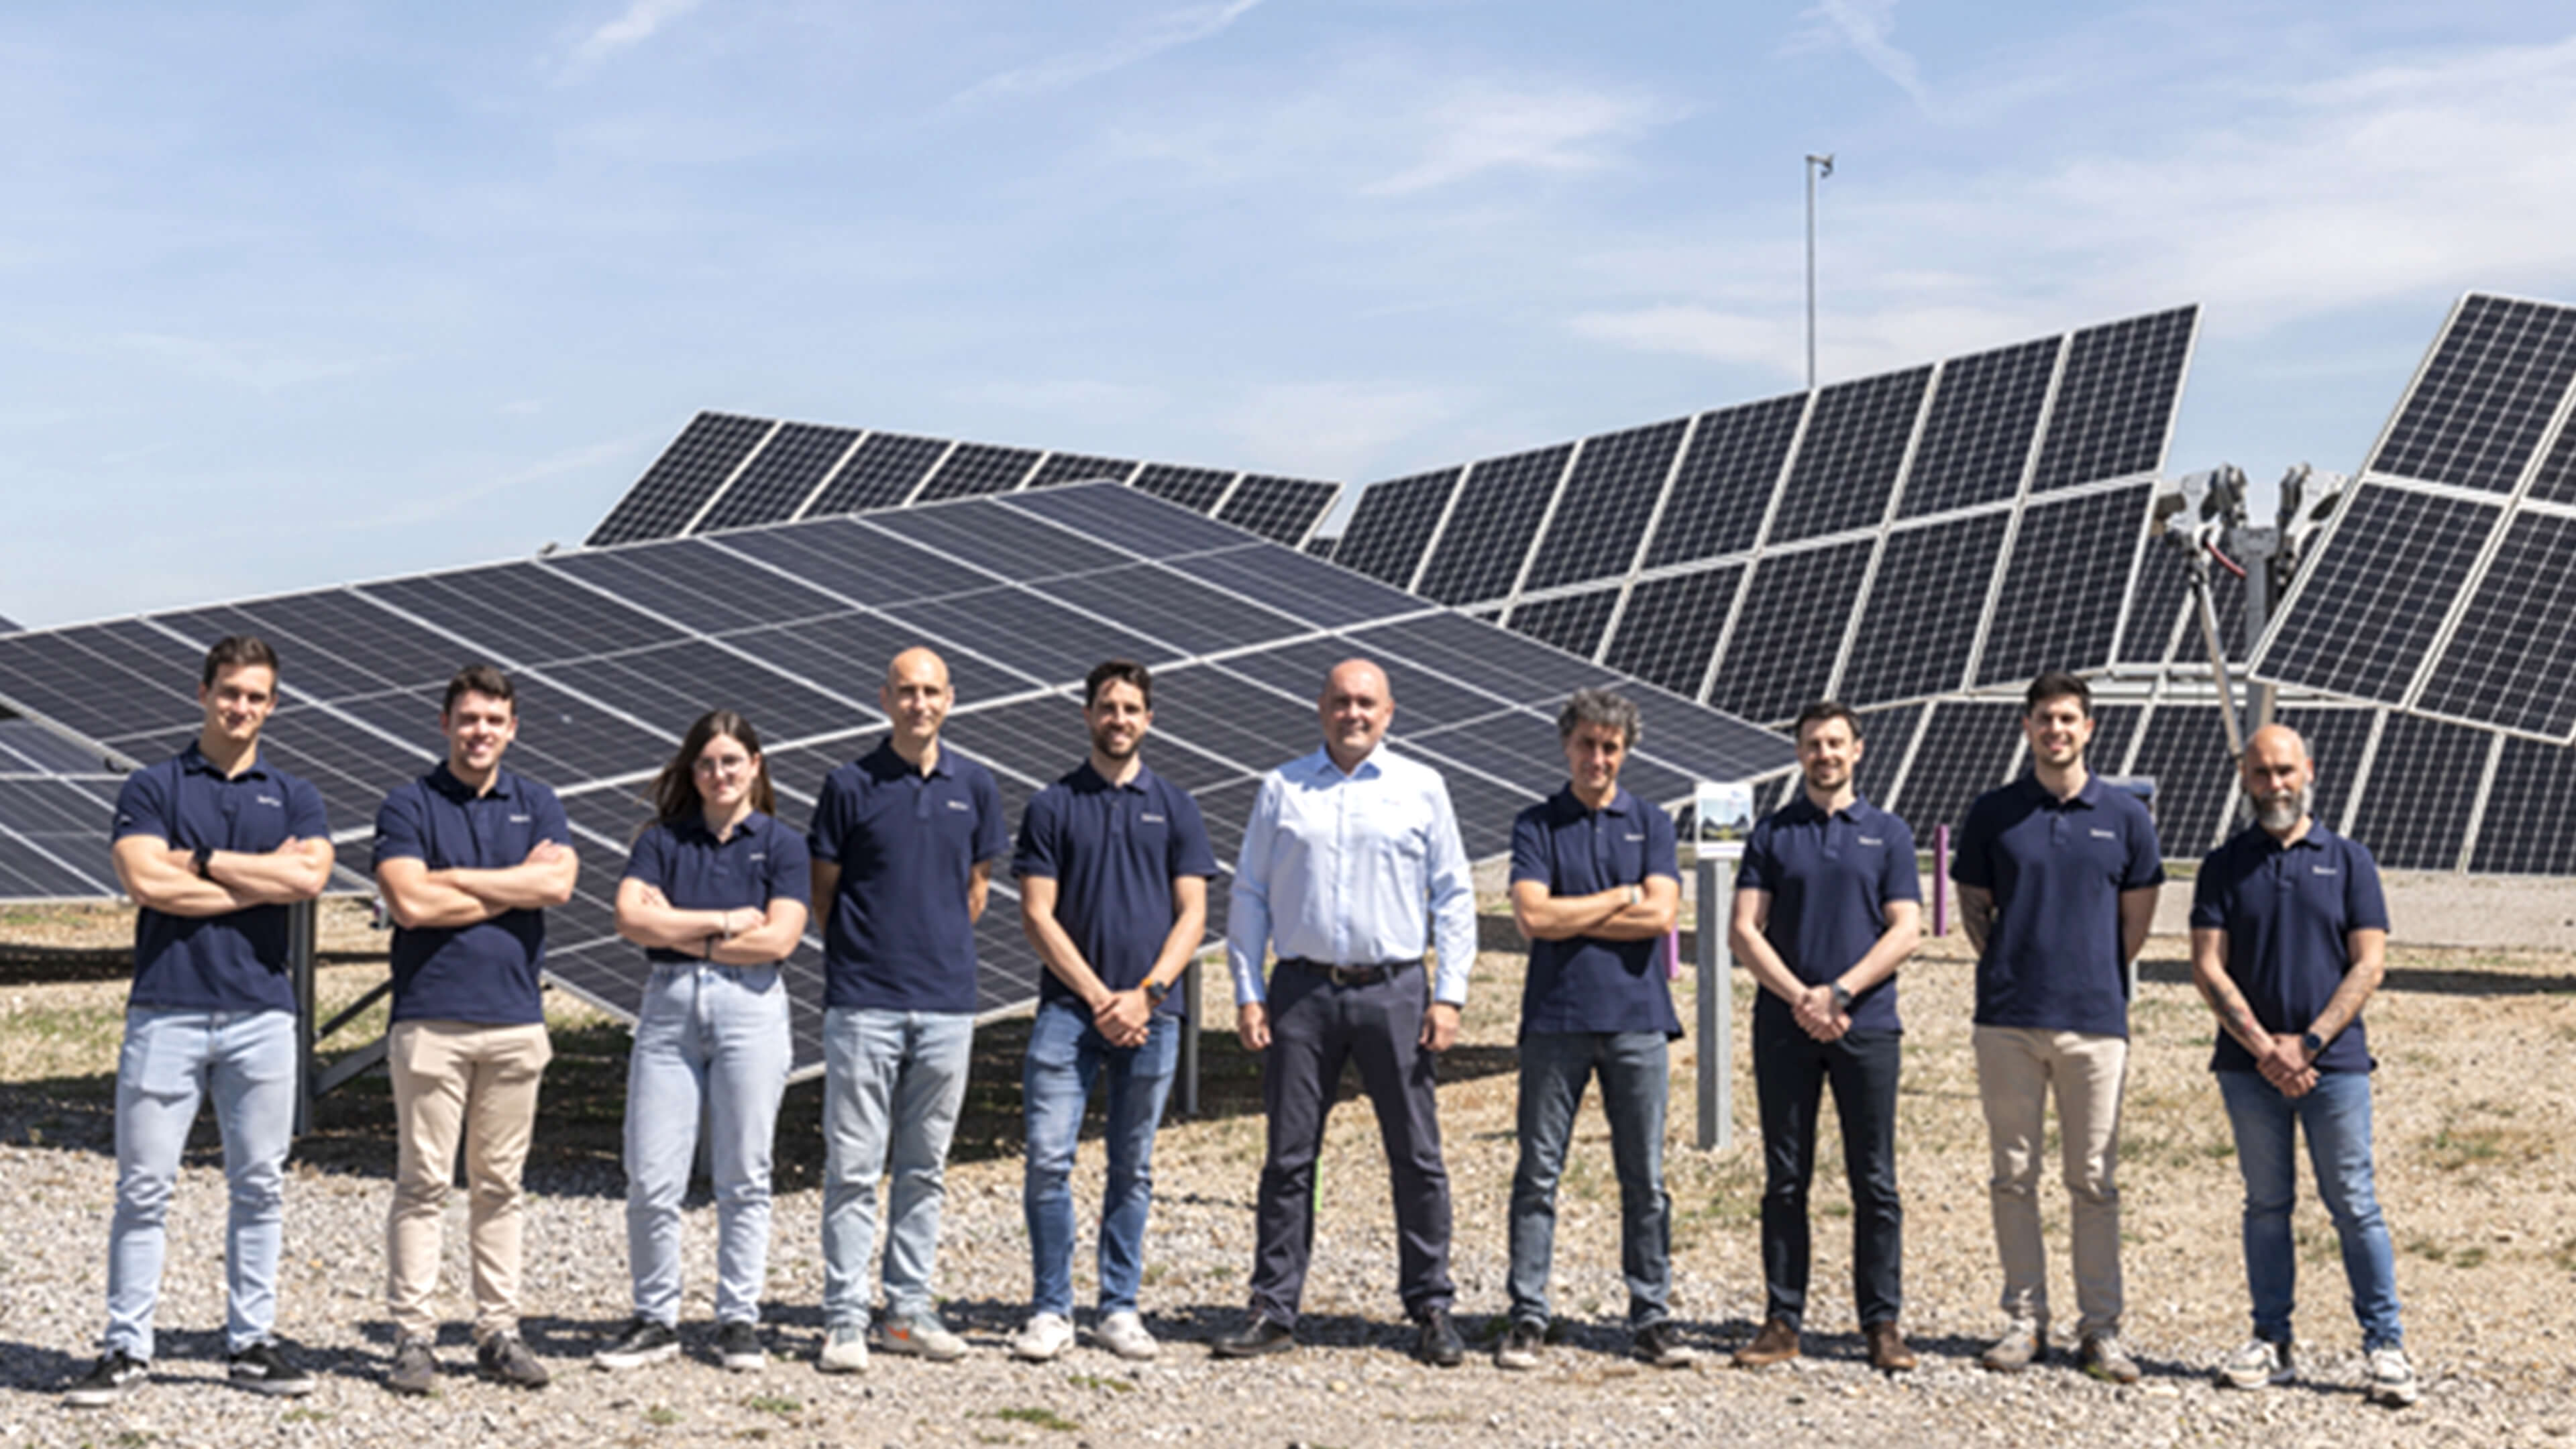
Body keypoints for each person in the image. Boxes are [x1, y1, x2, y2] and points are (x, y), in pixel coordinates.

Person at [65, 637, 334, 1407]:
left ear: (272, 706)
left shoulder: (296, 795)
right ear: (204, 693)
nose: (240, 707)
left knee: (260, 1187)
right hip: (167, 1011)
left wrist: (205, 860)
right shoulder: (153, 785)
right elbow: (147, 882)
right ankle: (126, 1348)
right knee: (144, 1189)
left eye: (255, 696)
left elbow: (310, 876)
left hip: (263, 1015)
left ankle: (251, 1343)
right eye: (229, 692)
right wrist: (260, 880)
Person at [1213, 658, 1477, 1366]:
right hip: (1301, 994)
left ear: (1389, 713)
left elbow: (1454, 895)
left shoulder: (1422, 787)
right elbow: (1250, 893)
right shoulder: (1283, 788)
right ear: (1320, 708)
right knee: (1289, 1157)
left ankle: (1431, 1306)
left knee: (1416, 1155)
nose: (1353, 713)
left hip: (1396, 991)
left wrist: (1450, 993)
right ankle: (1273, 1308)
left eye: (1366, 703)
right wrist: (1248, 990)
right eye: (1340, 701)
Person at [2188, 724, 2418, 1407]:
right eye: (2262, 773)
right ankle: (2272, 1340)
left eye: (2286, 771)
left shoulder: (2349, 861)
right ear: (2244, 778)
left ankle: (2385, 1346)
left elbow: (2369, 964)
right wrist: (2266, 1049)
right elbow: (2207, 965)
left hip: (2335, 1067)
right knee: (2266, 1206)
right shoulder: (2223, 865)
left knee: (2354, 1204)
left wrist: (2308, 1045)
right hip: (2248, 1070)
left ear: (2309, 771)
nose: (2275, 784)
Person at [373, 663, 579, 1394]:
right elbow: (410, 903)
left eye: (494, 720)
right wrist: (510, 885)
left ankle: (498, 1331)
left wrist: (453, 877)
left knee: (500, 1185)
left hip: (516, 1021)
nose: (480, 731)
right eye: (467, 718)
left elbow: (557, 884)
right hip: (430, 1019)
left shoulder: (538, 802)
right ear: (445, 724)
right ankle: (414, 1337)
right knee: (423, 1184)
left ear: (512, 728)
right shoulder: (409, 803)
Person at [1951, 672, 2162, 1383]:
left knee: (2094, 1179)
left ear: (2088, 728)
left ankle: (2101, 1328)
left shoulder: (2126, 817)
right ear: (2027, 728)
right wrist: (2014, 965)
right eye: (2045, 718)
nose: (2056, 730)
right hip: (2009, 1022)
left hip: (2094, 1025)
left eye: (2068, 719)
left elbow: (2135, 922)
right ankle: (2024, 1319)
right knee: (2013, 1174)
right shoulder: (1994, 813)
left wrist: (2089, 973)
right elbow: (1975, 906)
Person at [1010, 661, 1215, 1363]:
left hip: (1153, 1015)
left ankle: (1119, 1307)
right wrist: (1101, 998)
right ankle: (1051, 1308)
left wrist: (1147, 993)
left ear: (1149, 719)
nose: (1118, 719)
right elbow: (1037, 914)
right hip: (1069, 1013)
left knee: (1133, 1166)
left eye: (1131, 708)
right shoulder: (1053, 805)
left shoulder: (1177, 807)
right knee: (1048, 1162)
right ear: (1087, 715)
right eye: (1107, 707)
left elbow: (1194, 914)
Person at [809, 647, 1007, 1371]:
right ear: (884, 699)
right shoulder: (848, 785)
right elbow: (824, 892)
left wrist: (933, 949)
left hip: (947, 1005)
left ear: (950, 699)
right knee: (853, 1167)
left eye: (931, 691)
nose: (919, 703)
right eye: (906, 691)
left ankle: (908, 1309)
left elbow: (976, 889)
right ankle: (843, 1317)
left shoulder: (975, 786)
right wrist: (870, 955)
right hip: (865, 1002)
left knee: (925, 1167)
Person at [594, 712, 810, 1375]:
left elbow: (780, 938)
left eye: (732, 762)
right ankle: (655, 1318)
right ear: (693, 772)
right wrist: (722, 922)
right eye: (709, 763)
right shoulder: (661, 842)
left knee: (745, 1172)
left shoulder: (781, 844)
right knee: (652, 1173)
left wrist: (679, 929)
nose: (721, 774)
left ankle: (738, 1318)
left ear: (755, 766)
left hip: (751, 1009)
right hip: (669, 1009)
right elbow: (630, 918)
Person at [1495, 688, 1690, 1372]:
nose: (1597, 758)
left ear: (1625, 752)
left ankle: (1651, 1315)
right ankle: (1528, 1314)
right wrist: (1619, 897)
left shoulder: (1653, 823)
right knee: (1537, 1173)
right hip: (1557, 1019)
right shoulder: (1537, 824)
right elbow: (1532, 919)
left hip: (1638, 1020)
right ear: (1566, 745)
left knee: (1645, 1179)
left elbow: (1661, 917)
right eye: (1587, 744)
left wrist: (1573, 912)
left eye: (1610, 747)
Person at [1729, 701, 1921, 1373]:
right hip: (1785, 1028)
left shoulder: (1889, 834)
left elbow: (1906, 929)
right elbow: (1744, 929)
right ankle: (1783, 1320)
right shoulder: (1773, 833)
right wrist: (1802, 998)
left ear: (1857, 750)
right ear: (1799, 754)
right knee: (1786, 1178)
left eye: (1836, 743)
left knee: (1876, 1180)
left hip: (1867, 1025)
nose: (1825, 754)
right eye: (1813, 744)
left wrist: (1840, 992)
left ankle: (1882, 1323)